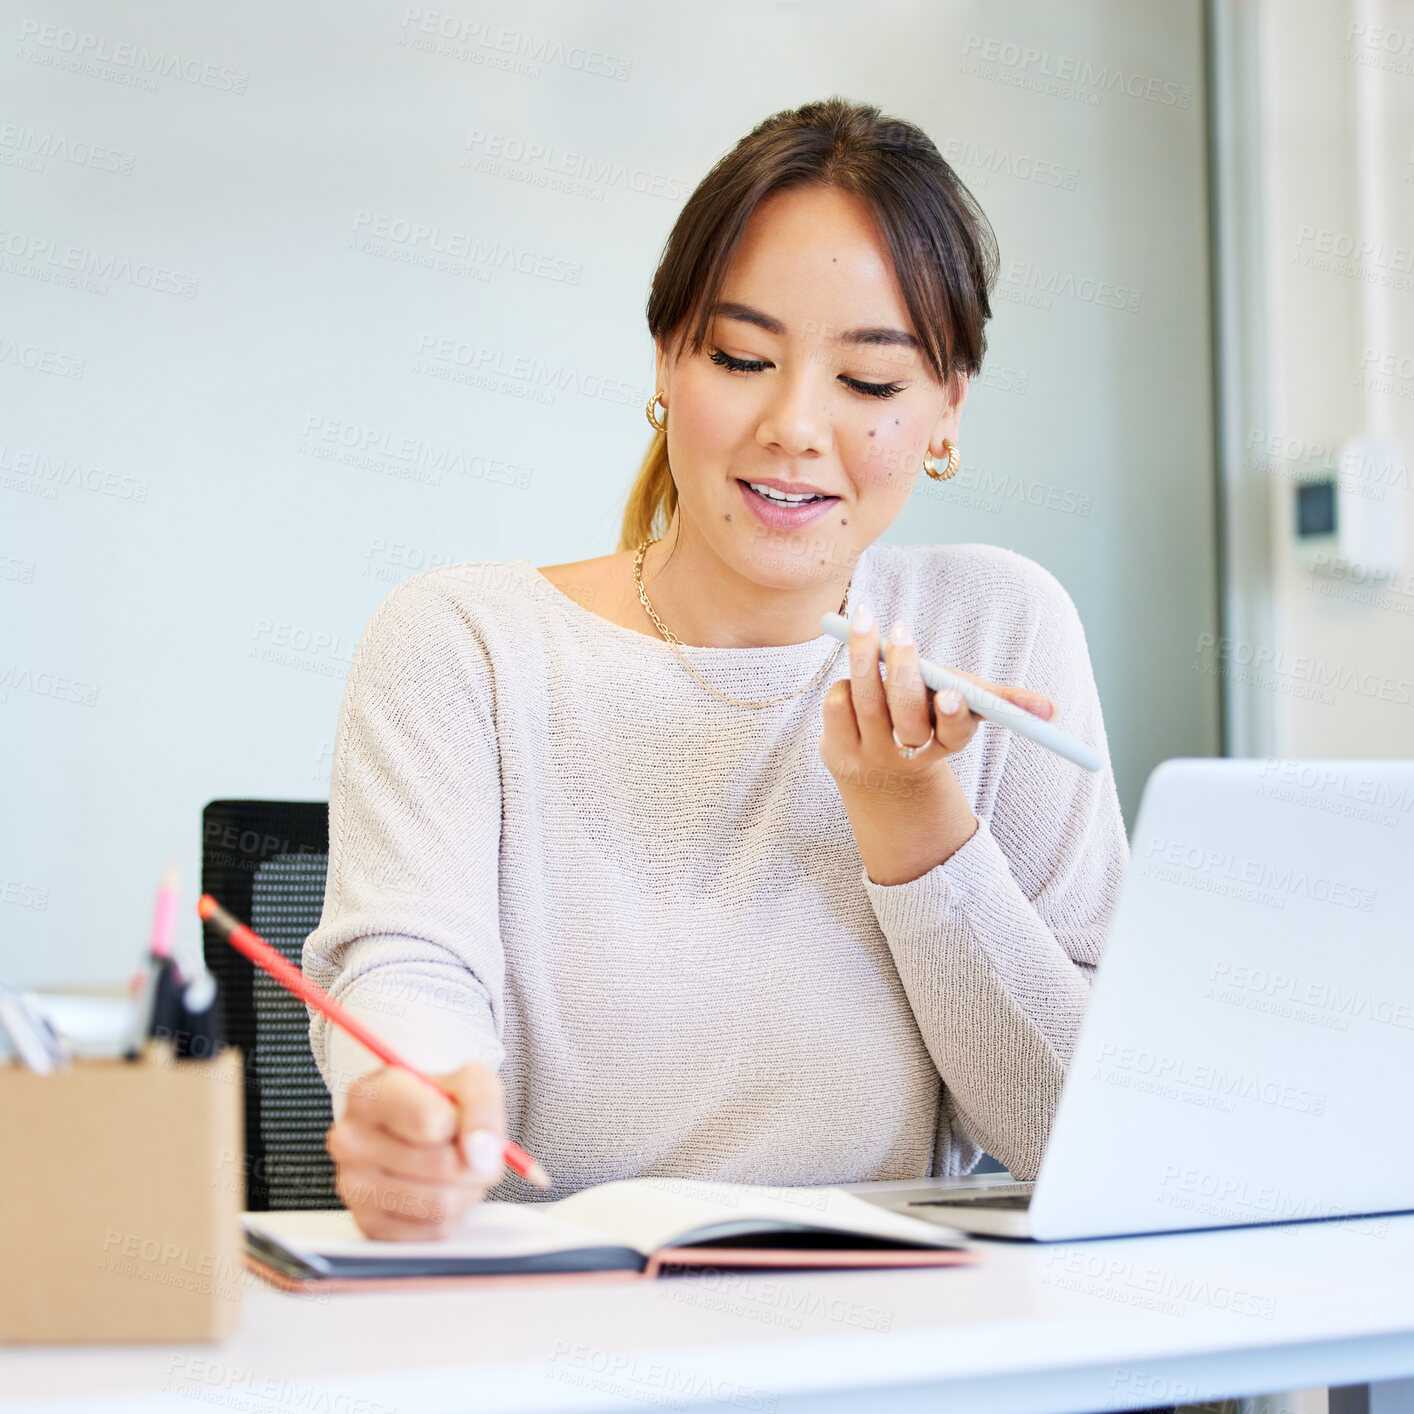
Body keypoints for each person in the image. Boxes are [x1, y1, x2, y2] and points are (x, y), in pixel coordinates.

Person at [303, 96, 1128, 1240]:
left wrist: (913, 821)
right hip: (558, 1320)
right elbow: (407, 969)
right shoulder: (463, 642)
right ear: (667, 359)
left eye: (871, 383)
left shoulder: (998, 628)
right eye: (743, 356)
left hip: (905, 1333)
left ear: (946, 411)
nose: (794, 425)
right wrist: (412, 1092)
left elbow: (1085, 1137)